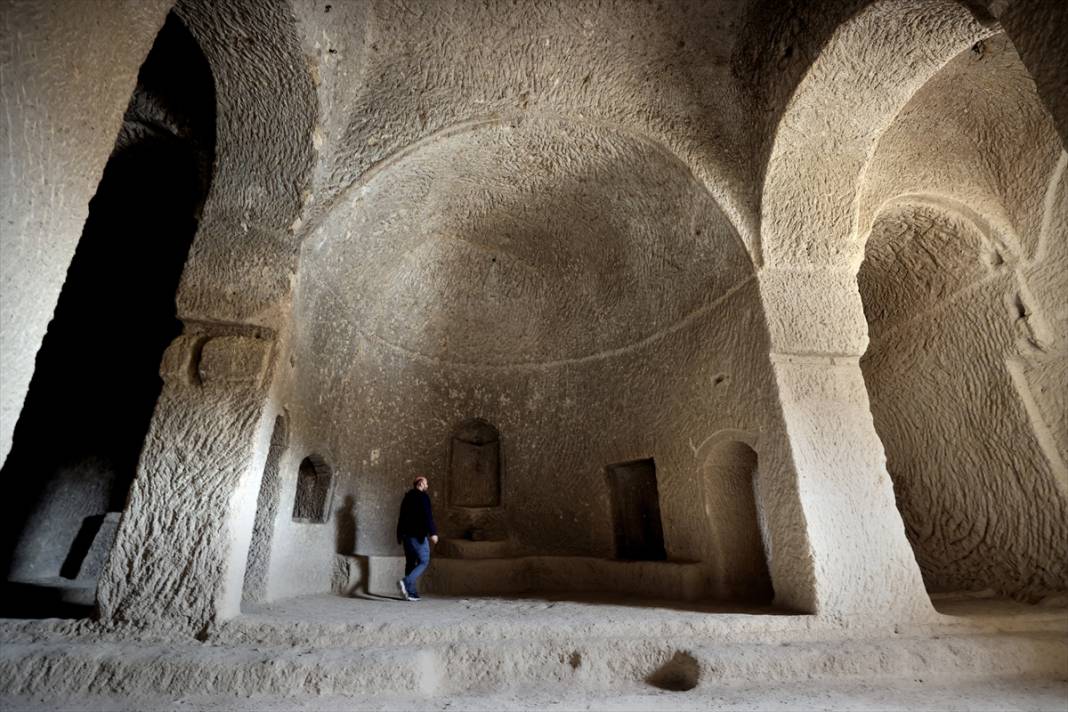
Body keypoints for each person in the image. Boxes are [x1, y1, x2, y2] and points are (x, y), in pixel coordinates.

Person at [396, 476, 438, 601]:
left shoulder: (407, 497)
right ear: (420, 484)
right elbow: (427, 515)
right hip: (417, 535)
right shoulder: (422, 497)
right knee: (424, 560)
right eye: (426, 483)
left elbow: (401, 517)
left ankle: (410, 593)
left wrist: (399, 535)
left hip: (406, 536)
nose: (427, 486)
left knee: (410, 562)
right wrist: (433, 533)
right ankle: (406, 581)